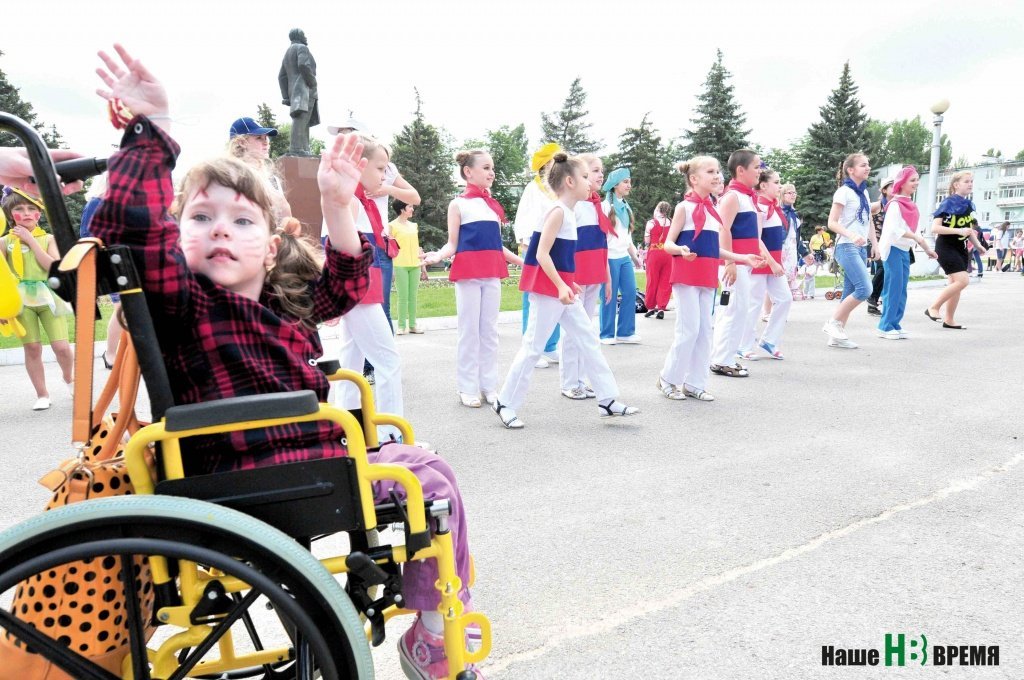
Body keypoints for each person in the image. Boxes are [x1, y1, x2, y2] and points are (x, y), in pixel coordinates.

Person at [92, 44, 482, 679]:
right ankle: (436, 640)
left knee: (425, 464)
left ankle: (431, 630)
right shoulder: (182, 303)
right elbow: (133, 226)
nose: (220, 228)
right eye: (201, 217)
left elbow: (348, 284)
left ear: (271, 250)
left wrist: (336, 203)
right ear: (177, 236)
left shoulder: (280, 304)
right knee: (428, 480)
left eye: (241, 220)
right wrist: (154, 128)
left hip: (302, 458)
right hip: (257, 469)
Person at [492, 153, 639, 428]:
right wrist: (561, 284)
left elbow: (560, 258)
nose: (590, 182)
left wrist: (568, 282)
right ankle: (505, 402)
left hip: (561, 290)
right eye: (585, 176)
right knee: (533, 347)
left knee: (587, 339)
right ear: (570, 181)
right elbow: (542, 254)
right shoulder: (557, 212)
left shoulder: (568, 212)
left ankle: (607, 400)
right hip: (547, 291)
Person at [424, 149, 523, 408]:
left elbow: (497, 246)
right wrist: (438, 256)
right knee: (469, 331)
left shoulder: (492, 206)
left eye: (493, 168)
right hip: (468, 274)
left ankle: (489, 386)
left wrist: (525, 262)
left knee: (489, 331)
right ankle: (467, 387)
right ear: (468, 172)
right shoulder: (458, 204)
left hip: (492, 273)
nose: (492, 172)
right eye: (486, 168)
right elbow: (452, 244)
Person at [332, 136, 405, 440]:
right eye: (380, 168)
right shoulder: (350, 201)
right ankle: (391, 436)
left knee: (351, 359)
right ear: (359, 165)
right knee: (387, 360)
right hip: (360, 291)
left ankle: (349, 430)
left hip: (362, 289)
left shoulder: (359, 201)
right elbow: (338, 250)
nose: (384, 176)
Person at [657, 157, 726, 401]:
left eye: (718, 171)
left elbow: (713, 249)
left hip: (707, 276)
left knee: (706, 331)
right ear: (694, 179)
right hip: (686, 275)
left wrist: (741, 258)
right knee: (688, 330)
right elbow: (667, 244)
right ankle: (668, 379)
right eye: (711, 172)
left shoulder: (714, 210)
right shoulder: (683, 208)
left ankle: (695, 383)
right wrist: (681, 250)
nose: (717, 175)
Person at [1, 188, 75, 410]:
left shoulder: (48, 239)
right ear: (9, 213)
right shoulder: (4, 243)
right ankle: (42, 394)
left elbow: (54, 267)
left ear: (39, 214)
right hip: (20, 302)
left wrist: (31, 241)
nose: (25, 213)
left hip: (48, 298)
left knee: (61, 346)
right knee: (32, 348)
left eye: (31, 209)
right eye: (19, 209)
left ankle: (69, 378)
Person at [708, 149, 767, 377]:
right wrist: (730, 263)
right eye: (756, 167)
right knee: (732, 309)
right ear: (741, 170)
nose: (759, 171)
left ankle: (725, 356)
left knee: (738, 309)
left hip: (744, 263)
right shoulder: (733, 196)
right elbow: (724, 228)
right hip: (734, 265)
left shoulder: (746, 197)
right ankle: (722, 359)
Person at [560, 153, 612, 400]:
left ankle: (581, 379)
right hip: (577, 277)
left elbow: (604, 245)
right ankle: (570, 381)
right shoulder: (576, 206)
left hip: (595, 275)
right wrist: (569, 277)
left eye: (601, 170)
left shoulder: (600, 205)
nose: (600, 174)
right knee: (573, 331)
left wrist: (607, 278)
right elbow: (568, 244)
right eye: (593, 171)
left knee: (587, 330)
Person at [821, 153, 879, 349]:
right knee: (865, 288)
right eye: (863, 165)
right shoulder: (843, 192)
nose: (868, 168)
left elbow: (868, 221)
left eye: (868, 164)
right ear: (850, 170)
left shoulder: (863, 192)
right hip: (846, 246)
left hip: (861, 248)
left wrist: (875, 245)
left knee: (850, 291)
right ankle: (832, 323)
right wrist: (851, 235)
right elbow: (831, 223)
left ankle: (837, 337)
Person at [513, 144, 561, 368]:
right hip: (534, 246)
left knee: (555, 296)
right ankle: (531, 347)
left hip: (557, 246)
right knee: (533, 298)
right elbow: (522, 218)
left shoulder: (559, 190)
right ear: (545, 166)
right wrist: (525, 245)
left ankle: (550, 346)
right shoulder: (533, 189)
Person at [875, 166, 937, 339]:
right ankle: (885, 326)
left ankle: (895, 323)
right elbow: (895, 230)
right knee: (893, 288)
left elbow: (912, 231)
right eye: (912, 180)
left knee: (901, 289)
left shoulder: (910, 204)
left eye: (917, 179)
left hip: (903, 249)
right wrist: (919, 240)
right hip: (893, 249)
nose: (916, 183)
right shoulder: (895, 204)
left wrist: (926, 248)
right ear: (901, 183)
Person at [739, 168, 792, 360]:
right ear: (763, 185)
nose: (779, 186)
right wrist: (771, 262)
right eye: (776, 182)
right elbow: (757, 240)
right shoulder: (759, 207)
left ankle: (769, 340)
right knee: (753, 303)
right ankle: (743, 345)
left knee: (785, 299)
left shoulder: (773, 207)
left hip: (774, 262)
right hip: (761, 262)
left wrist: (779, 261)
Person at [925, 171, 986, 329]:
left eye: (972, 181)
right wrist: (959, 231)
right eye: (967, 181)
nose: (970, 184)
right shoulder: (947, 203)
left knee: (955, 284)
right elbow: (935, 228)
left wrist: (978, 246)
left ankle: (949, 320)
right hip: (946, 247)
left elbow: (969, 229)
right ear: (956, 185)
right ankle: (933, 307)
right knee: (963, 280)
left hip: (961, 249)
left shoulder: (969, 205)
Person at [599, 168, 642, 344]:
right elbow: (602, 237)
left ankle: (625, 332)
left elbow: (626, 236)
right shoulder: (604, 206)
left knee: (631, 292)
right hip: (609, 257)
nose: (629, 185)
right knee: (609, 295)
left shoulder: (626, 207)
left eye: (629, 181)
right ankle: (606, 334)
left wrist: (634, 256)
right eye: (625, 182)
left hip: (623, 257)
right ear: (615, 184)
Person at [277, 28, 319, 156]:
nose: (306, 37)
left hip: (294, 92)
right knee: (301, 120)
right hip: (304, 90)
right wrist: (312, 82)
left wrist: (286, 96)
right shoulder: (301, 48)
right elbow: (303, 65)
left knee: (303, 120)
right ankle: (297, 149)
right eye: (304, 34)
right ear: (299, 35)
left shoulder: (288, 53)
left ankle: (304, 149)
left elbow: (281, 76)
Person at [390, 199, 423, 335]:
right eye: (410, 206)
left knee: (413, 296)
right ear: (402, 209)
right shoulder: (391, 226)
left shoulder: (414, 225)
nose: (412, 209)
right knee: (403, 297)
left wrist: (423, 265)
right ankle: (401, 326)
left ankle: (413, 325)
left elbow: (417, 246)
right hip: (400, 265)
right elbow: (390, 248)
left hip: (415, 264)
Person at [866, 176, 895, 316]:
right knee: (884, 268)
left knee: (889, 271)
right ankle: (870, 295)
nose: (895, 189)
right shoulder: (878, 205)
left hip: (888, 244)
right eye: (892, 187)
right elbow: (861, 212)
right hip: (875, 243)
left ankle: (873, 303)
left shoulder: (895, 206)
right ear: (884, 190)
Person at [643, 202, 672, 319]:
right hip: (668, 253)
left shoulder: (651, 223)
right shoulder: (671, 222)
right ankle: (661, 307)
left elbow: (647, 241)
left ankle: (650, 306)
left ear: (658, 209)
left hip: (655, 252)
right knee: (665, 281)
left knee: (652, 279)